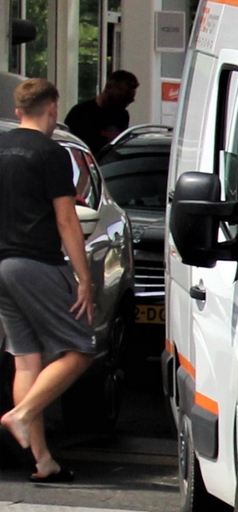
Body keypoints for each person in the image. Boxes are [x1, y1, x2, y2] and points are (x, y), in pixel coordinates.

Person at [0, 79, 96, 484]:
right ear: (53, 107)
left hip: (2, 267)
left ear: (19, 110)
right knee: (81, 347)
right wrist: (84, 277)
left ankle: (42, 460)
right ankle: (19, 415)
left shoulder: (1, 148)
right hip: (36, 263)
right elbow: (66, 219)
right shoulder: (52, 153)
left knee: (27, 360)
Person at [63, 70, 136, 153]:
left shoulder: (122, 115)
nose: (124, 105)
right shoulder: (80, 113)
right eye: (120, 99)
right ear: (108, 88)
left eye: (128, 101)